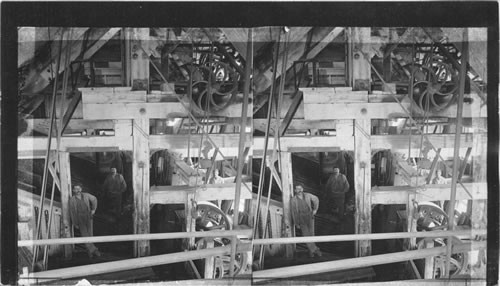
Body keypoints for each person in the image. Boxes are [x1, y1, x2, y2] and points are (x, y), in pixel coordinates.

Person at [69, 184, 101, 258]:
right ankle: (93, 250)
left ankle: (89, 250)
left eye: (79, 188)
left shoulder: (86, 195)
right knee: (84, 234)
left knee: (90, 233)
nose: (78, 190)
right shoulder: (72, 200)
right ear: (73, 190)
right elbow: (72, 212)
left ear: (81, 189)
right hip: (79, 217)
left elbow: (94, 199)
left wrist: (93, 209)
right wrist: (75, 223)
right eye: (76, 189)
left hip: (88, 215)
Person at [290, 184, 322, 258]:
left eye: (300, 188)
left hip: (310, 216)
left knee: (312, 234)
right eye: (297, 189)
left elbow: (316, 199)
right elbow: (294, 212)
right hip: (301, 218)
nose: (300, 190)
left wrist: (315, 209)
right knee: (306, 235)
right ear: (295, 190)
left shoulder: (307, 195)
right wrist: (296, 223)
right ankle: (315, 249)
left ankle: (311, 251)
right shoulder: (293, 200)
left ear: (303, 189)